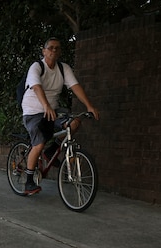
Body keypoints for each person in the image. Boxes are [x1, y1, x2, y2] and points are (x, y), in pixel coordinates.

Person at [20, 37, 99, 195]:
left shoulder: (63, 68)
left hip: (52, 110)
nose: (53, 51)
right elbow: (36, 87)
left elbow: (75, 86)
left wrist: (89, 106)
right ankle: (29, 182)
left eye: (57, 48)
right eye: (50, 48)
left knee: (75, 122)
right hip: (33, 110)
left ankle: (53, 150)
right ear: (44, 51)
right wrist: (46, 105)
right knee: (39, 144)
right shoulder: (37, 67)